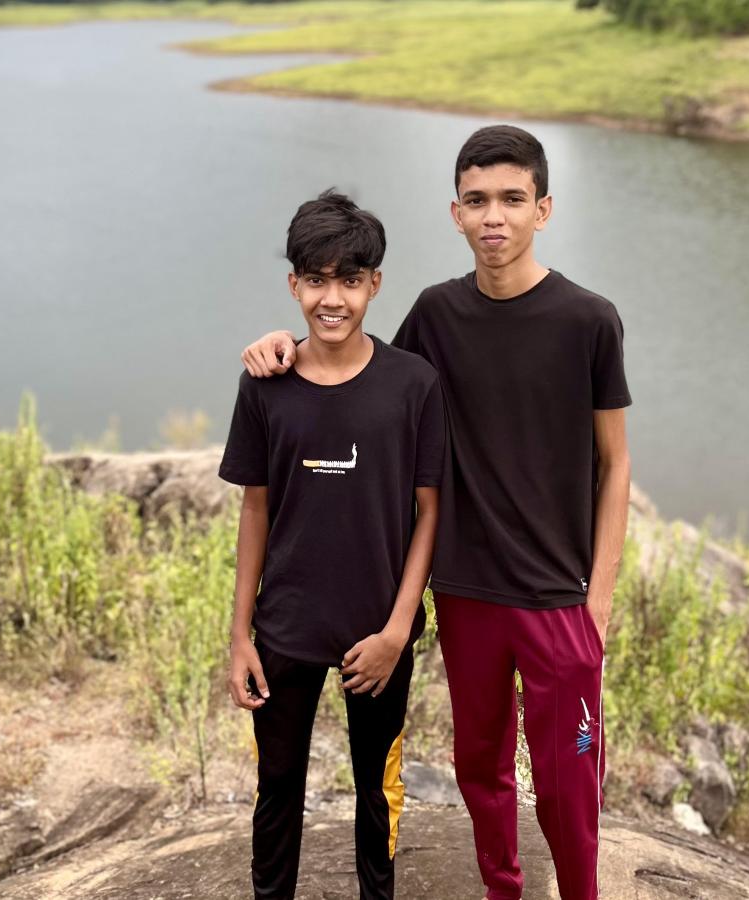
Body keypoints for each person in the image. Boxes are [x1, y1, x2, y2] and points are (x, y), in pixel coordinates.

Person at [239, 125, 632, 900]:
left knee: (567, 779)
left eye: (513, 199)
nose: (495, 217)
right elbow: (360, 362)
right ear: (455, 213)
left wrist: (601, 599)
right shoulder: (435, 314)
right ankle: (502, 891)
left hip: (559, 595)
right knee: (478, 769)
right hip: (465, 591)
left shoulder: (589, 320)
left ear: (543, 209)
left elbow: (616, 464)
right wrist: (281, 345)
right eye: (478, 200)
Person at [220, 189, 447, 900]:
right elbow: (254, 511)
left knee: (377, 794)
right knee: (276, 787)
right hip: (284, 628)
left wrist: (399, 627)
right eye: (316, 279)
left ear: (375, 284)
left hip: (377, 632)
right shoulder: (266, 387)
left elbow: (429, 512)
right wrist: (240, 636)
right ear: (294, 285)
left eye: (350, 280)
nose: (333, 298)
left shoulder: (413, 385)